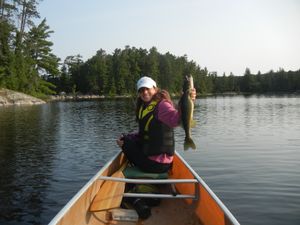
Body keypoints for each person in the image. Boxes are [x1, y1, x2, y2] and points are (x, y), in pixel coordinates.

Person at [116, 76, 196, 173]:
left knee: (125, 143)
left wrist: (187, 100)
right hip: (156, 161)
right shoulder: (145, 106)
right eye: (141, 90)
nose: (144, 92)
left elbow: (176, 120)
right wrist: (129, 136)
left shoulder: (162, 105)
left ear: (155, 89)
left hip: (157, 164)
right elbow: (146, 132)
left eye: (147, 89)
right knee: (126, 138)